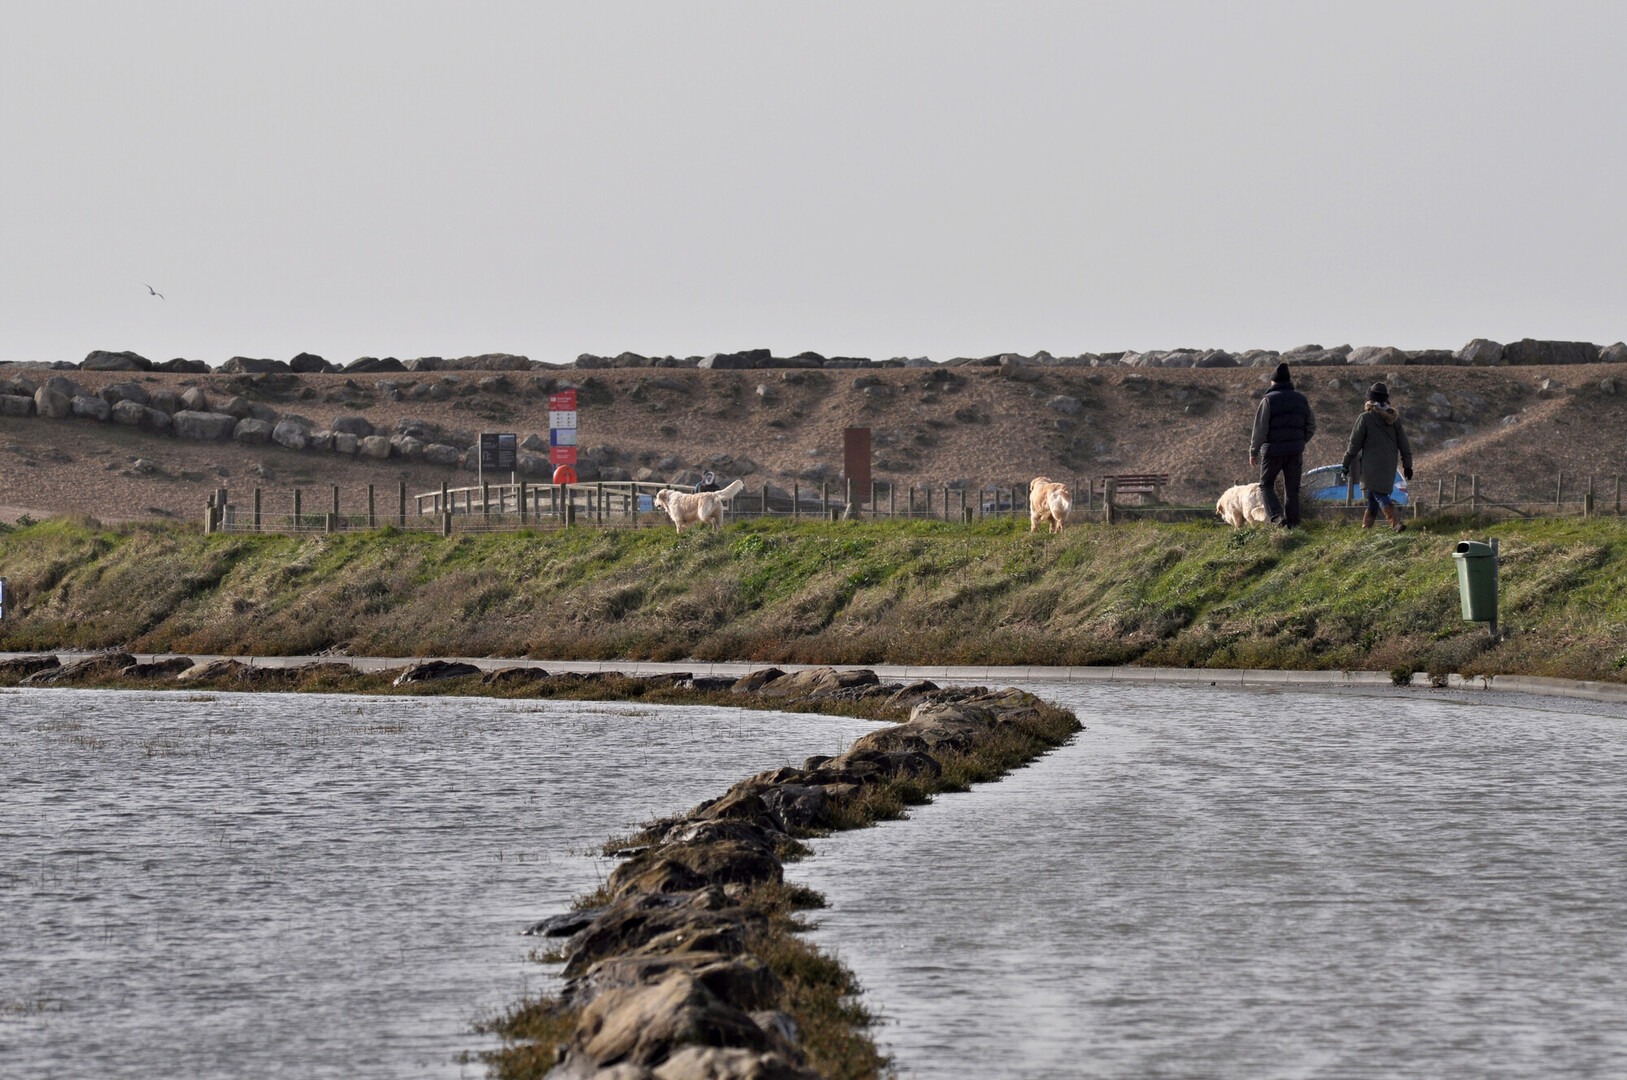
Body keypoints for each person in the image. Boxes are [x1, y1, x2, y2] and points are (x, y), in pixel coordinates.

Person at [1249, 361, 1317, 527]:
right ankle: (1293, 524)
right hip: (1295, 451)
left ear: (1273, 382)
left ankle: (1277, 518)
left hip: (1272, 451)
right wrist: (1300, 441)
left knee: (1266, 485)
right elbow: (1311, 425)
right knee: (1292, 489)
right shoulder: (1301, 399)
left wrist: (1253, 451)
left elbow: (1260, 428)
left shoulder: (1268, 400)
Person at [1342, 381, 1414, 532]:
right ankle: (1365, 529)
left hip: (1371, 465)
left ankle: (1396, 524)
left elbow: (1354, 444)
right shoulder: (1394, 419)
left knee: (1379, 494)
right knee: (1373, 498)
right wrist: (1407, 465)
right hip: (1389, 465)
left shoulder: (1365, 418)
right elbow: (1404, 444)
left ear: (1370, 399)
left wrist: (1345, 464)